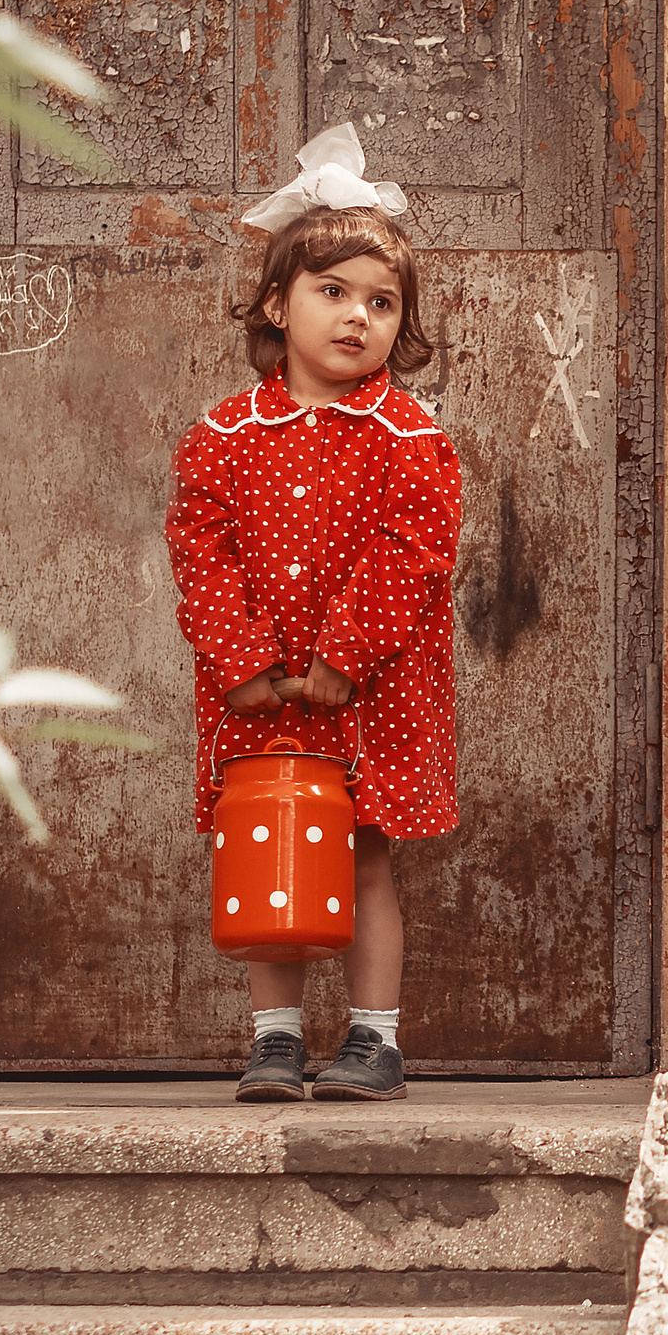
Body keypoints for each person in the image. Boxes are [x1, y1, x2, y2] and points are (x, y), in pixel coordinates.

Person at [164, 125, 462, 1102]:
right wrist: (241, 661)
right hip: (258, 693)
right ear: (274, 303)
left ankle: (375, 1041)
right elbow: (199, 553)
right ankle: (276, 1038)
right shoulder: (222, 436)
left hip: (365, 692)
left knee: (364, 855)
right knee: (266, 845)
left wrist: (343, 656)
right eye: (331, 293)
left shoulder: (407, 437)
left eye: (381, 303)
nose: (356, 318)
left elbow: (412, 553)